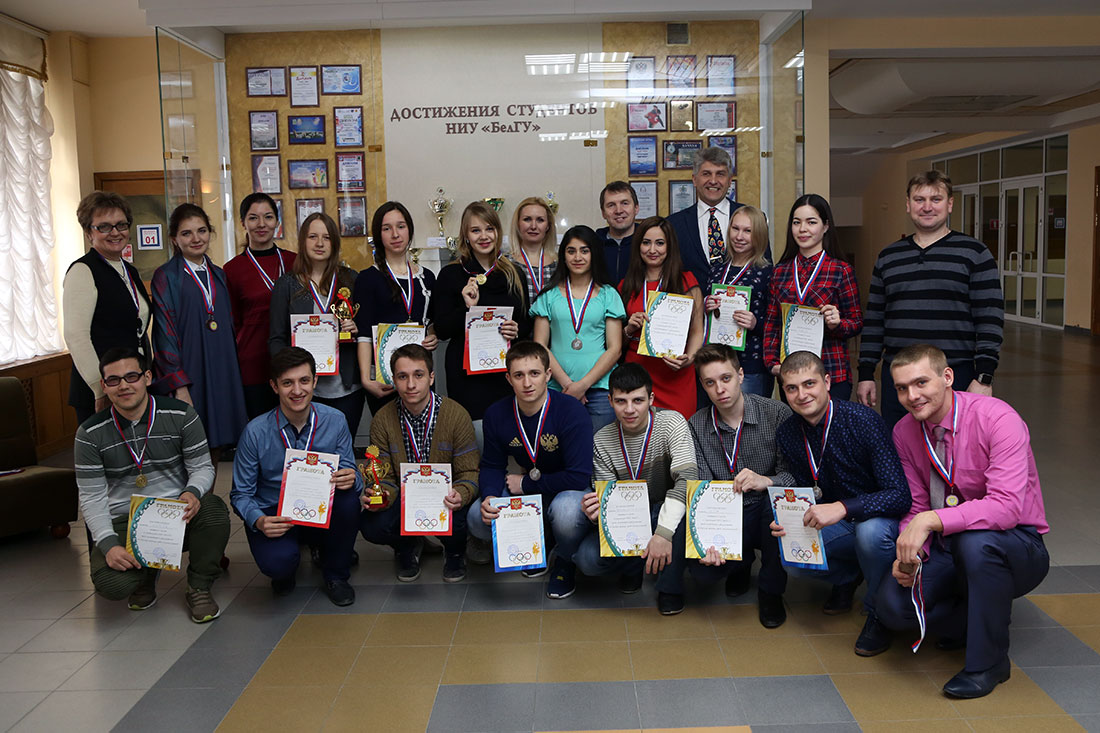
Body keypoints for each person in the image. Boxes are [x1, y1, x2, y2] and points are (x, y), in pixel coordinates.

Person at [877, 344, 1049, 699]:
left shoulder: (997, 418)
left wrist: (931, 519)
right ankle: (978, 613)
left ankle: (989, 663)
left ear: (947, 377)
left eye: (921, 382)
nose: (912, 396)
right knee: (894, 609)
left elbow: (1006, 508)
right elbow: (916, 505)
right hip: (946, 547)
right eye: (902, 388)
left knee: (976, 543)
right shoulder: (905, 431)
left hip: (1015, 543)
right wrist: (914, 555)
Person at [772, 351, 911, 656]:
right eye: (792, 388)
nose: (801, 395)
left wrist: (844, 507)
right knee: (791, 557)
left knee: (870, 535)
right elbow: (804, 488)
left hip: (877, 518)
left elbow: (899, 495)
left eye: (809, 384)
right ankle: (849, 576)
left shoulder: (863, 421)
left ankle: (879, 612)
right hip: (836, 522)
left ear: (827, 381)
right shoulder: (788, 433)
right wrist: (788, 516)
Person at [75, 347, 229, 622]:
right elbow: (91, 498)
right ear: (104, 386)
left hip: (176, 513)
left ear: (147, 377)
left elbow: (202, 468)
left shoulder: (181, 415)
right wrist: (109, 545)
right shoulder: (89, 434)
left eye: (131, 376)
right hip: (125, 519)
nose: (124, 385)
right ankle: (144, 575)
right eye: (114, 380)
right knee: (111, 585)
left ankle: (199, 586)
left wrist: (191, 492)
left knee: (213, 509)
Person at [857, 171, 1005, 428]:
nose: (927, 207)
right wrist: (866, 373)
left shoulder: (975, 253)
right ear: (908, 205)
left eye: (936, 199)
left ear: (950, 204)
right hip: (899, 378)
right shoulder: (888, 257)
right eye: (919, 199)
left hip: (954, 376)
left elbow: (989, 318)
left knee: (955, 448)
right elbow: (875, 320)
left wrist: (984, 377)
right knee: (899, 447)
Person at [230, 347, 363, 606]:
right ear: (274, 386)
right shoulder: (255, 432)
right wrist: (259, 521)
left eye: (304, 380)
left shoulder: (335, 421)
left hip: (322, 509)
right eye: (287, 383)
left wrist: (352, 478)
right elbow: (240, 494)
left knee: (348, 500)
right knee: (278, 565)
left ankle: (336, 575)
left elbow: (351, 471)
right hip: (276, 513)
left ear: (315, 381)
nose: (297, 390)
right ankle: (286, 566)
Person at [565, 364, 696, 614]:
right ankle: (634, 566)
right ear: (610, 401)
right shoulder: (602, 440)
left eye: (638, 400)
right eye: (621, 401)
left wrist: (663, 534)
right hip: (628, 518)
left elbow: (686, 481)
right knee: (586, 559)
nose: (629, 409)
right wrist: (598, 514)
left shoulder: (672, 423)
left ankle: (669, 587)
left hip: (665, 510)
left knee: (680, 512)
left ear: (651, 399)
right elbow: (609, 500)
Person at [470, 341, 593, 594]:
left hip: (567, 490)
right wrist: (490, 495)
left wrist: (526, 483)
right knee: (476, 516)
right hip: (530, 491)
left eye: (534, 373)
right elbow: (492, 465)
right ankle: (539, 544)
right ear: (508, 379)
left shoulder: (571, 411)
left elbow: (579, 477)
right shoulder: (496, 414)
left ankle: (565, 560)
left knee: (566, 514)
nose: (527, 383)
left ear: (548, 375)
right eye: (519, 375)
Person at [687, 344, 795, 627]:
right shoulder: (696, 424)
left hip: (765, 509)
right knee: (702, 574)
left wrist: (766, 481)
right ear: (703, 385)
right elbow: (702, 488)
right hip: (727, 514)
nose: (720, 389)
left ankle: (771, 592)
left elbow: (794, 477)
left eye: (726, 378)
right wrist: (708, 536)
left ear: (741, 375)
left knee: (777, 504)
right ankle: (741, 562)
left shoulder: (777, 413)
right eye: (710, 383)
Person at [358, 344, 479, 583]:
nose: (411, 384)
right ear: (394, 380)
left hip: (446, 497)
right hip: (405, 498)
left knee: (465, 515)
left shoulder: (456, 415)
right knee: (372, 525)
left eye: (418, 375)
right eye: (402, 377)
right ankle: (408, 545)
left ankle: (454, 551)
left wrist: (461, 493)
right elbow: (383, 476)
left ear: (431, 377)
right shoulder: (382, 420)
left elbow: (469, 472)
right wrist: (381, 494)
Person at [151, 203, 248, 460]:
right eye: (186, 233)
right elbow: (164, 333)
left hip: (221, 370)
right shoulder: (166, 277)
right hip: (190, 372)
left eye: (201, 231)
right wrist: (179, 385)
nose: (196, 238)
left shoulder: (219, 275)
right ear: (174, 239)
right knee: (189, 445)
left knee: (215, 445)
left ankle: (208, 489)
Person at [433, 201, 529, 425]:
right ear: (466, 236)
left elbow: (526, 324)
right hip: (466, 375)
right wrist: (467, 308)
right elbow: (442, 329)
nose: (484, 236)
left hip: (506, 371)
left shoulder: (514, 273)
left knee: (506, 431)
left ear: (498, 232)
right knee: (472, 435)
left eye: (489, 229)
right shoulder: (451, 275)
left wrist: (516, 330)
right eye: (475, 230)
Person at [270, 212, 364, 438]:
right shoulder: (287, 284)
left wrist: (355, 328)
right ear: (303, 241)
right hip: (303, 390)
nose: (320, 243)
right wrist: (289, 375)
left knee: (343, 447)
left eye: (326, 237)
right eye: (313, 236)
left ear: (335, 242)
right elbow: (276, 338)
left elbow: (366, 330)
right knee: (308, 451)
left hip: (346, 387)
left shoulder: (351, 279)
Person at [64, 191, 152, 425]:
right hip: (103, 390)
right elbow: (76, 336)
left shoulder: (129, 270)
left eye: (121, 225)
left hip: (131, 384)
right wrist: (100, 387)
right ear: (88, 232)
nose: (115, 232)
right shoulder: (83, 271)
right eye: (104, 227)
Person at [764, 195, 862, 402]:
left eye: (811, 222)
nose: (802, 229)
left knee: (832, 423)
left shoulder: (841, 270)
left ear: (825, 226)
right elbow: (772, 323)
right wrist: (772, 363)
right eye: (796, 222)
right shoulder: (780, 272)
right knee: (795, 424)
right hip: (791, 373)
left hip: (831, 370)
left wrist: (837, 323)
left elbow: (856, 322)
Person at [531, 225, 625, 433]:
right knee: (558, 447)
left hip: (600, 389)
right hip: (557, 387)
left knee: (599, 449)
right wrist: (568, 385)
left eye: (584, 251)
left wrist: (582, 385)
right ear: (563, 256)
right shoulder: (548, 295)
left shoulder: (609, 294)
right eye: (571, 251)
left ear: (594, 254)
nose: (577, 257)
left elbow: (615, 349)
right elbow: (539, 346)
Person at [353, 201, 438, 416]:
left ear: (409, 229)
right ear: (378, 235)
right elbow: (363, 334)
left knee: (425, 430)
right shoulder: (367, 278)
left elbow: (430, 322)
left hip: (420, 376)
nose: (395, 234)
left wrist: (433, 336)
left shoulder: (427, 277)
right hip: (385, 378)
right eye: (386, 228)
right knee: (389, 432)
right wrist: (365, 379)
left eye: (401, 226)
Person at [620, 216, 704, 418]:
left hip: (676, 374)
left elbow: (697, 331)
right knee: (639, 434)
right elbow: (615, 342)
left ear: (669, 246)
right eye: (646, 243)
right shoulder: (626, 285)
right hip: (637, 376)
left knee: (678, 433)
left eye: (659, 243)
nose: (652, 250)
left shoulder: (686, 282)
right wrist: (629, 329)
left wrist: (689, 359)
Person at [224, 193, 296, 418]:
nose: (261, 224)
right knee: (260, 429)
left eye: (268, 217)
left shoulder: (295, 262)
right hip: (253, 364)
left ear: (277, 222)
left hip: (294, 361)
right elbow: (233, 322)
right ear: (243, 223)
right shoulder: (232, 269)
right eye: (253, 218)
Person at [703, 205, 775, 397]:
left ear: (759, 234)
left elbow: (778, 324)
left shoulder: (768, 273)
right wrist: (707, 306)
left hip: (752, 365)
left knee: (750, 414)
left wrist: (755, 323)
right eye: (735, 229)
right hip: (718, 361)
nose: (739, 236)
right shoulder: (717, 270)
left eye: (748, 231)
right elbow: (706, 320)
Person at [666, 147, 743, 289]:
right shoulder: (673, 224)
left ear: (729, 180)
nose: (713, 181)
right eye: (706, 174)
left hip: (740, 302)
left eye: (720, 174)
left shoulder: (751, 219)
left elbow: (764, 267)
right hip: (692, 301)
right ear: (694, 179)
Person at [507, 196, 558, 306]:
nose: (533, 226)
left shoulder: (559, 264)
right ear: (518, 224)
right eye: (527, 219)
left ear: (548, 226)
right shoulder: (506, 264)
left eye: (540, 220)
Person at [595, 181, 640, 284]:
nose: (618, 210)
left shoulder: (648, 244)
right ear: (603, 213)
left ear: (636, 208)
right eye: (611, 205)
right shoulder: (593, 244)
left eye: (625, 203)